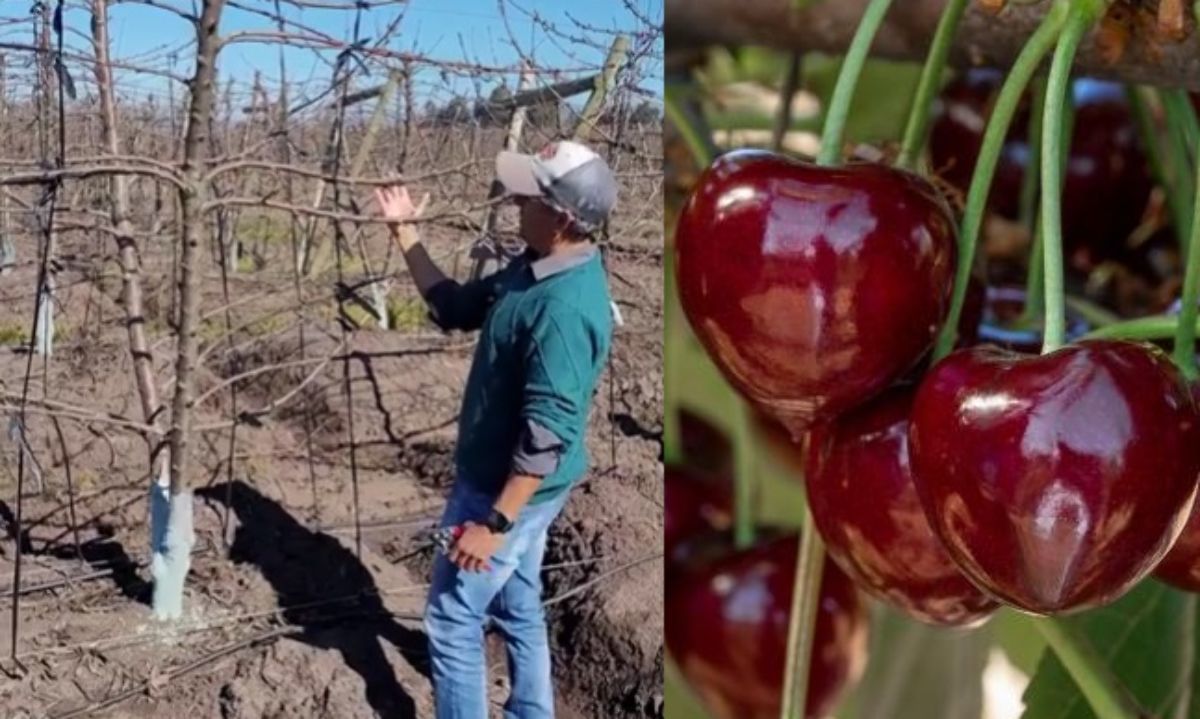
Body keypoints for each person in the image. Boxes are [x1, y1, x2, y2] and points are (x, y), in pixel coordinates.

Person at [374, 139, 618, 719]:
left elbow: (547, 434)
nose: (514, 202)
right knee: (517, 604)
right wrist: (405, 231)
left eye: (528, 196)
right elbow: (456, 307)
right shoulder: (532, 268)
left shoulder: (562, 308)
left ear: (561, 217)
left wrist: (494, 524)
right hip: (523, 492)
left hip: (505, 493)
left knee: (453, 619)